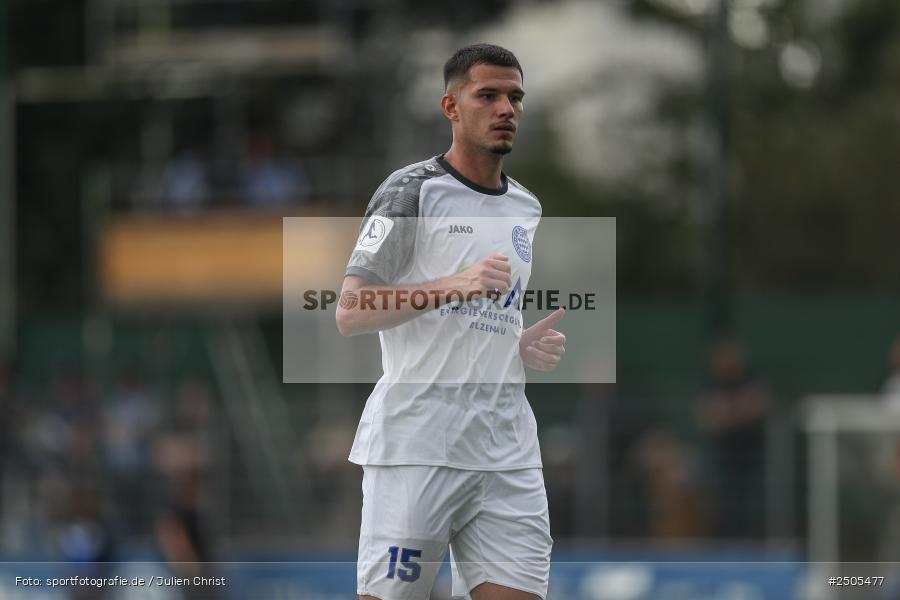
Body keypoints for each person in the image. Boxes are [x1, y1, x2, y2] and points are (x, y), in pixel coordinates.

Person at [336, 44, 566, 600]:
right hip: (420, 443)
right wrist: (454, 284)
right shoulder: (411, 191)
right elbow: (350, 310)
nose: (505, 107)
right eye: (487, 95)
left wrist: (518, 343)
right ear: (451, 106)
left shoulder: (526, 208)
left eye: (514, 97)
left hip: (506, 447)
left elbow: (482, 317)